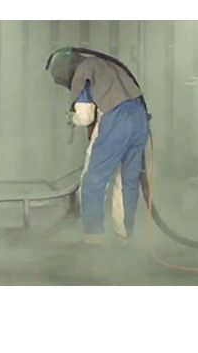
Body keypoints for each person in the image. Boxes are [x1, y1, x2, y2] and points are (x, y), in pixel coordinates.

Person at [47, 48, 150, 245]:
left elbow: (85, 117)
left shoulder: (83, 71)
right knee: (127, 181)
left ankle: (92, 237)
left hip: (116, 120)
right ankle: (125, 236)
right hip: (140, 119)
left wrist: (72, 118)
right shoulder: (106, 65)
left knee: (93, 180)